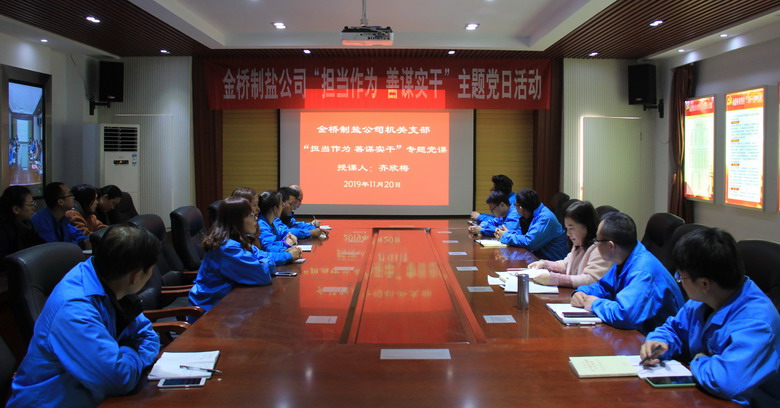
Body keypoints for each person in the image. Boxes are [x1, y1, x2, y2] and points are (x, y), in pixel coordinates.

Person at [7, 224, 161, 407]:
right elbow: (119, 378)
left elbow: (148, 335)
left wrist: (125, 355)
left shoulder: (110, 284)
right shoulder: (74, 310)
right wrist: (133, 351)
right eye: (150, 270)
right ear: (136, 276)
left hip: (96, 397)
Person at [640, 228, 780, 407]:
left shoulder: (757, 322)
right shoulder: (702, 300)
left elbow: (725, 381)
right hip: (703, 395)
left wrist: (699, 359)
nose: (680, 281)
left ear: (704, 283)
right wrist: (659, 341)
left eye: (681, 277)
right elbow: (674, 329)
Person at [572, 212, 684, 333]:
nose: (595, 244)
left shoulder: (643, 272)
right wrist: (582, 292)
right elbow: (604, 287)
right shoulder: (624, 258)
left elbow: (625, 315)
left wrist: (594, 304)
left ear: (611, 246)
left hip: (656, 339)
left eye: (597, 240)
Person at [189, 197, 277, 312]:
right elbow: (262, 275)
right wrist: (266, 263)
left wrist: (264, 262)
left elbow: (263, 255)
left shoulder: (238, 240)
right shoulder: (228, 247)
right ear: (237, 220)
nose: (256, 220)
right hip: (212, 308)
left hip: (229, 301)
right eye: (251, 216)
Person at [527, 201, 611, 288]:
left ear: (587, 225)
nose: (568, 233)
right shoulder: (579, 244)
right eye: (567, 228)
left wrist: (555, 279)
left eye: (571, 228)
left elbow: (590, 279)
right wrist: (544, 264)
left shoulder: (600, 248)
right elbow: (566, 265)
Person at [230, 187, 300, 265]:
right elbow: (260, 265)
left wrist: (286, 253)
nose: (258, 209)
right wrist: (286, 251)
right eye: (254, 205)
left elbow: (261, 254)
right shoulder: (231, 246)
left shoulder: (244, 237)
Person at [494, 189, 568, 261]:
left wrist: (505, 236)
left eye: (515, 205)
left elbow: (529, 243)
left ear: (520, 208)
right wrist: (508, 233)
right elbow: (522, 235)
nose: (514, 208)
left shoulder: (545, 217)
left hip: (552, 262)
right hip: (538, 259)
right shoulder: (528, 215)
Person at [30, 182, 90, 249]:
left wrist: (85, 241)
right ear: (60, 202)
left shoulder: (63, 219)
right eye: (70, 195)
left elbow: (77, 235)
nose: (73, 197)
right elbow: (53, 247)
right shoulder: (40, 220)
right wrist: (81, 244)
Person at [0, 185, 45, 259]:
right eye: (31, 204)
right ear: (16, 209)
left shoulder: (27, 224)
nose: (34, 208)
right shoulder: (3, 230)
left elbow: (40, 246)